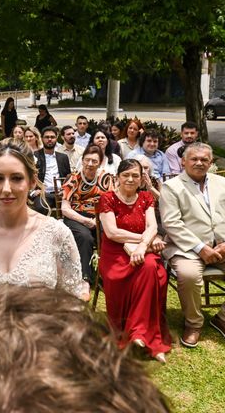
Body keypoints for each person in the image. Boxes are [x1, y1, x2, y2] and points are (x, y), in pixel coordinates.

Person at [0, 285, 170, 413]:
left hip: (52, 334)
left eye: (16, 178)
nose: (7, 188)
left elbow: (75, 291)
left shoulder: (54, 232)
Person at [160, 142, 225, 348]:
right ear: (183, 161)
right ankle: (193, 323)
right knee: (189, 276)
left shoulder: (224, 183)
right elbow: (171, 223)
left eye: (204, 159)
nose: (199, 163)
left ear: (210, 162)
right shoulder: (171, 187)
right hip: (187, 249)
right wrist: (201, 248)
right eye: (194, 159)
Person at [0, 139, 81, 296]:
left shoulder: (58, 234)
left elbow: (71, 300)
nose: (6, 189)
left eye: (16, 178)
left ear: (32, 181)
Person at [97, 159, 171, 363]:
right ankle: (141, 335)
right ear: (117, 178)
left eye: (135, 175)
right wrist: (146, 240)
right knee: (143, 271)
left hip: (141, 251)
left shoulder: (146, 197)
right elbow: (112, 233)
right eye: (126, 175)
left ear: (141, 178)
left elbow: (153, 226)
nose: (130, 179)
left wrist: (141, 247)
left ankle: (141, 334)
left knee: (151, 269)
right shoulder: (107, 198)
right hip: (115, 253)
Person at [61, 145, 115, 294]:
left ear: (100, 162)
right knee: (85, 237)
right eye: (87, 160)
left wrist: (101, 219)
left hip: (100, 215)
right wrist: (86, 221)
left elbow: (113, 203)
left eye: (94, 161)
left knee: (109, 235)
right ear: (82, 160)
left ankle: (107, 274)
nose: (90, 164)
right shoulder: (73, 178)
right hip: (76, 215)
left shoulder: (106, 178)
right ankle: (85, 278)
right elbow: (65, 208)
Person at [31, 127, 71, 215]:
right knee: (40, 208)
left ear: (56, 138)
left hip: (61, 194)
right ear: (42, 138)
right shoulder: (35, 156)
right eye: (47, 137)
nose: (50, 139)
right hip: (43, 194)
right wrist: (33, 191)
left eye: (52, 137)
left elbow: (68, 176)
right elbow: (28, 176)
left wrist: (66, 190)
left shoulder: (63, 157)